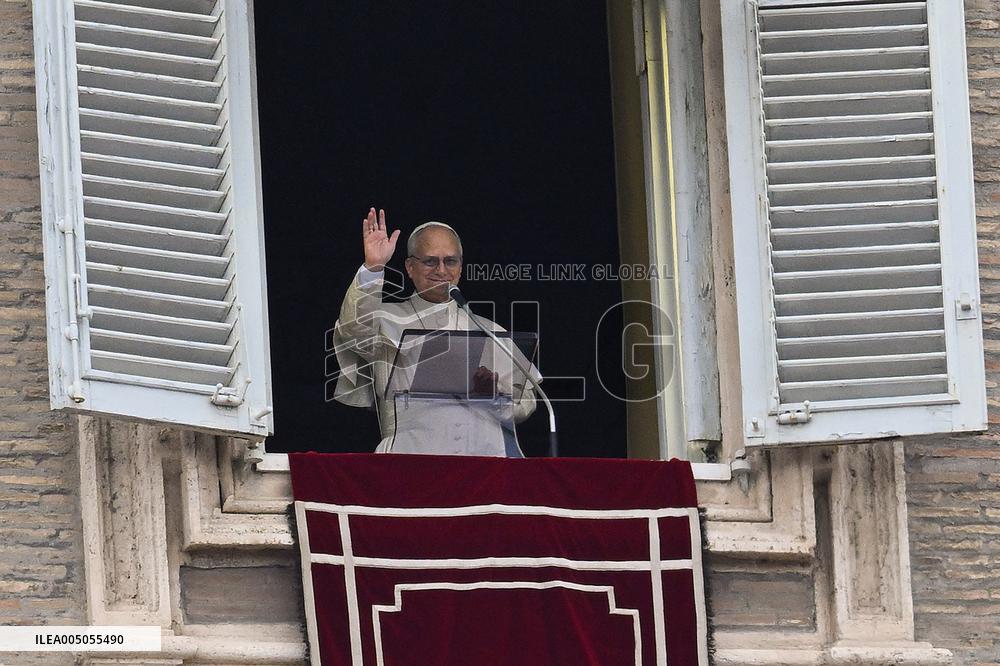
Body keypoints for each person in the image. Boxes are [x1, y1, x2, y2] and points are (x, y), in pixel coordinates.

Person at [332, 207, 539, 454]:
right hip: (409, 460)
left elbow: (526, 404)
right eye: (430, 261)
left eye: (450, 261)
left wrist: (492, 396)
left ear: (460, 267)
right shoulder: (385, 321)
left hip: (484, 462)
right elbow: (354, 331)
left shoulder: (489, 330)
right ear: (410, 267)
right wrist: (373, 269)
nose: (441, 271)